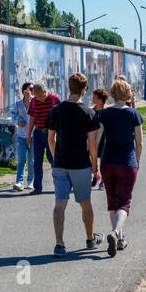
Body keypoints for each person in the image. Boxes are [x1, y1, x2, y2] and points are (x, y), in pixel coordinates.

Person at [46, 72, 102, 257]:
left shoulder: (56, 110)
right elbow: (92, 144)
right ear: (84, 90)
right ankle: (90, 239)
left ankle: (59, 244)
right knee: (85, 203)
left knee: (60, 204)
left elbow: (51, 139)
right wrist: (94, 165)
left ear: (69, 87)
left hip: (61, 163)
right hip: (80, 164)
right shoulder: (89, 112)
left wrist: (55, 158)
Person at [97, 78, 143, 256]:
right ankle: (116, 233)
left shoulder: (105, 114)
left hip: (108, 162)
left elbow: (97, 139)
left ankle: (119, 238)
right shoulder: (133, 114)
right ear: (128, 94)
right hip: (127, 162)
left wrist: (94, 160)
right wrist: (137, 161)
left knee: (112, 201)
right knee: (124, 203)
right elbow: (139, 142)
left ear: (113, 94)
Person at [27, 81, 60, 195]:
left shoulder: (55, 100)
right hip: (38, 133)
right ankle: (37, 188)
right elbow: (32, 118)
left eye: (41, 96)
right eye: (36, 96)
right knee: (37, 162)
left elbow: (62, 118)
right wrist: (29, 135)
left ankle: (59, 186)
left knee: (53, 160)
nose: (39, 99)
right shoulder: (34, 101)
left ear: (45, 92)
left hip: (51, 134)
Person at [12, 83, 34, 191]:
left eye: (32, 89)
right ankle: (19, 182)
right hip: (21, 136)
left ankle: (30, 182)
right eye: (30, 89)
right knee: (21, 160)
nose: (32, 91)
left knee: (32, 161)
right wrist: (17, 121)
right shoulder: (18, 104)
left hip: (34, 136)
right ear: (24, 90)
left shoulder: (35, 103)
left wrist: (31, 98)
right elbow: (13, 115)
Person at [91, 89, 109, 189]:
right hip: (92, 140)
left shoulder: (107, 112)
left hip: (105, 140)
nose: (92, 98)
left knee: (103, 162)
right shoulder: (91, 111)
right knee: (92, 160)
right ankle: (96, 176)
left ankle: (103, 181)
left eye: (94, 96)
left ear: (100, 99)